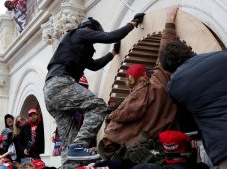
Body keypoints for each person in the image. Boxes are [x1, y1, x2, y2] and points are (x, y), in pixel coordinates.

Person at [43, 13, 145, 167]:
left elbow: (95, 65)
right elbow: (110, 36)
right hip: (60, 84)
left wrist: (113, 53)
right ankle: (78, 147)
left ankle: (70, 161)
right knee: (98, 106)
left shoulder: (75, 45)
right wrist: (132, 23)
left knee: (69, 144)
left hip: (50, 93)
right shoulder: (81, 32)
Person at [100, 6, 181, 160]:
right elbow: (164, 54)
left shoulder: (124, 107)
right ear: (145, 74)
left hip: (137, 160)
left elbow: (108, 143)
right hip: (165, 156)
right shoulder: (158, 86)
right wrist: (169, 21)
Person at [159, 19, 227, 169]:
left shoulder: (175, 87)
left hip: (222, 145)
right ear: (188, 50)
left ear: (168, 68)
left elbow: (186, 118)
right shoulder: (223, 57)